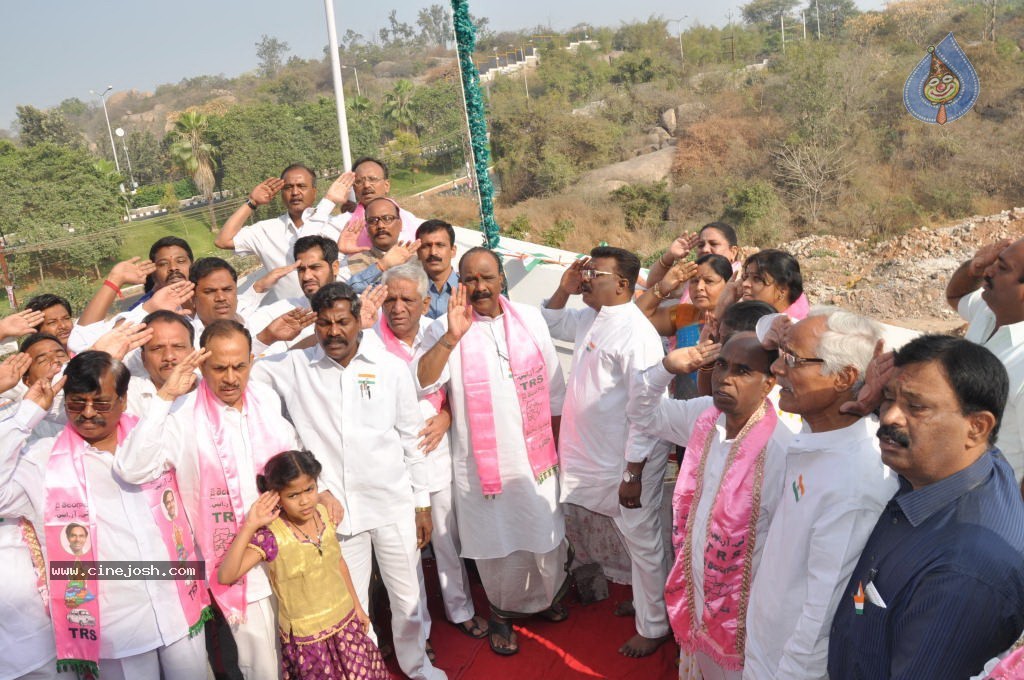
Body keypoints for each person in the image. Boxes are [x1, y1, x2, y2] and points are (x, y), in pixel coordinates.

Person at [251, 282, 445, 680]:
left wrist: (421, 503)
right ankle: (366, 670)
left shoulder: (388, 367)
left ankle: (418, 667)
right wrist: (271, 336)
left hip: (391, 503)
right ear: (316, 326)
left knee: (407, 595)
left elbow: (412, 438)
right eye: (324, 324)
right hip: (334, 512)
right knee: (350, 604)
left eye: (342, 321)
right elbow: (242, 369)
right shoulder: (296, 367)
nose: (334, 332)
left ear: (359, 321)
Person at [0, 351, 210, 679]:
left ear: (123, 401)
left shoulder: (154, 434)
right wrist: (27, 414)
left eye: (100, 404)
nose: (86, 414)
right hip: (117, 629)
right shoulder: (43, 460)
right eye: (75, 402)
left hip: (178, 606)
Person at [114, 320, 304, 680]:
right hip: (240, 566)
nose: (231, 378)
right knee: (261, 666)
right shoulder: (180, 415)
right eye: (219, 368)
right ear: (201, 364)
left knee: (300, 651)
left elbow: (292, 453)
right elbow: (131, 469)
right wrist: (165, 397)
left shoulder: (263, 398)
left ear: (251, 360)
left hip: (289, 552)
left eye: (240, 366)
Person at [828, 335, 1024, 679]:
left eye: (916, 407)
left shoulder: (963, 573)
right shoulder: (965, 463)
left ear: (977, 427)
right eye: (888, 399)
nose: (889, 416)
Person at [415, 247, 570, 657]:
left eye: (486, 277)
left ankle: (543, 597)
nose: (479, 286)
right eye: (469, 279)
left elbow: (555, 390)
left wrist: (560, 449)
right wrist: (452, 335)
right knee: (497, 542)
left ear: (502, 278)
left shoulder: (531, 319)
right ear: (459, 284)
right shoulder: (444, 327)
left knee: (545, 532)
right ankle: (501, 611)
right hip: (482, 464)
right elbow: (424, 382)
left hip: (536, 458)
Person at [743, 307, 898, 680]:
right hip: (765, 644)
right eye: (780, 355)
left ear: (844, 377)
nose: (777, 369)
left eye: (792, 359)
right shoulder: (818, 434)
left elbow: (822, 611)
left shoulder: (855, 480)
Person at [629, 332, 793, 679]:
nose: (725, 378)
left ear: (770, 382)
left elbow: (787, 550)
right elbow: (641, 414)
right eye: (721, 365)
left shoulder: (781, 449)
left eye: (742, 370)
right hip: (696, 588)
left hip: (744, 608)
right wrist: (665, 368)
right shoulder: (705, 416)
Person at [542, 246, 672, 658]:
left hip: (628, 460)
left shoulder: (637, 335)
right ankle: (655, 603)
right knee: (639, 539)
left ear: (621, 284)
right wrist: (564, 288)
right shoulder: (592, 317)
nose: (585, 278)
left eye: (593, 273)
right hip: (599, 455)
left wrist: (632, 473)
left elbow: (645, 413)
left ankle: (655, 626)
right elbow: (549, 323)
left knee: (643, 538)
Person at [377, 263, 488, 642]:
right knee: (406, 552)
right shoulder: (370, 343)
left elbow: (462, 388)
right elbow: (416, 382)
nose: (397, 307)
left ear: (425, 303)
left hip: (435, 453)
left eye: (407, 299)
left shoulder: (436, 330)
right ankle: (417, 632)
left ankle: (460, 609)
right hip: (392, 463)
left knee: (445, 537)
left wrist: (446, 414)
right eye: (389, 299)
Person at [218, 450, 389, 680]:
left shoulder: (324, 515)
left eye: (309, 489)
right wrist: (250, 525)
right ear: (276, 496)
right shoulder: (272, 536)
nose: (305, 500)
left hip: (346, 624)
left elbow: (337, 562)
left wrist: (358, 607)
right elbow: (226, 576)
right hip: (309, 643)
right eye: (293, 495)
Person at [945, 237, 1024, 483]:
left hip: (990, 506)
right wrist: (973, 269)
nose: (988, 272)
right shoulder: (989, 309)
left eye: (1002, 268)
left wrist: (1007, 517)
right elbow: (955, 295)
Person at [214, 163, 340, 302]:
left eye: (302, 186)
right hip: (289, 317)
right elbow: (222, 240)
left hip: (331, 312)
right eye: (288, 187)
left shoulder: (335, 225)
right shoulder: (267, 230)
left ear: (314, 191)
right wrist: (252, 202)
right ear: (281, 194)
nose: (295, 192)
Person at [638, 253, 733, 397]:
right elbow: (635, 319)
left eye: (708, 281)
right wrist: (663, 287)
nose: (699, 287)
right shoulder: (684, 314)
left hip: (721, 412)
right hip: (682, 410)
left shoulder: (740, 320)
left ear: (729, 284)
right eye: (694, 281)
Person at [338, 197, 420, 293]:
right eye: (373, 221)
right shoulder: (353, 263)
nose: (380, 226)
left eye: (387, 219)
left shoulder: (419, 257)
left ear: (400, 223)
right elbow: (340, 293)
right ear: (367, 227)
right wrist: (381, 266)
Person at [644, 222, 742, 298]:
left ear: (733, 252)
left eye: (713, 244)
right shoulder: (692, 278)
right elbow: (653, 287)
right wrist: (669, 256)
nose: (705, 249)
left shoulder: (743, 282)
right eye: (701, 245)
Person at [739, 249, 809, 318]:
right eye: (746, 277)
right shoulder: (758, 321)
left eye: (757, 278)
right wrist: (728, 300)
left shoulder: (795, 328)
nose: (744, 283)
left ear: (782, 290)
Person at [416, 219, 459, 320]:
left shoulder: (468, 289)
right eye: (426, 246)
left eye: (440, 245)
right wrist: (383, 265)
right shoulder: (409, 289)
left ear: (453, 251)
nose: (433, 252)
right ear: (418, 253)